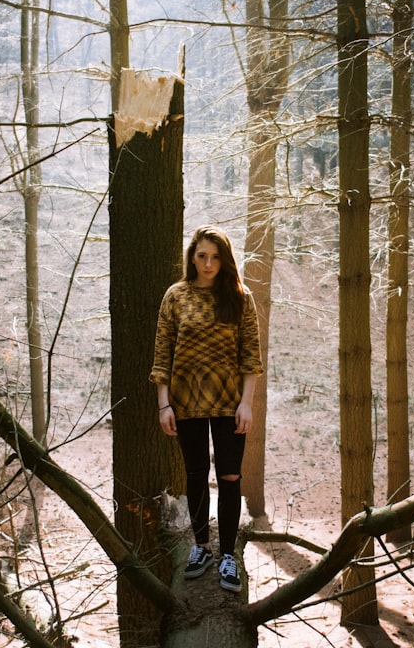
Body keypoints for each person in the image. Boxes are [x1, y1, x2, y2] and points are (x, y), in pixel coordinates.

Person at [150, 225, 263, 593]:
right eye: (202, 256)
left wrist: (246, 403)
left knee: (230, 476)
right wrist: (164, 404)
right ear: (192, 257)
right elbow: (162, 354)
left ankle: (227, 555)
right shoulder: (176, 296)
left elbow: (251, 356)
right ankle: (201, 548)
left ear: (225, 259)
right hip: (185, 404)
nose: (209, 264)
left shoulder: (240, 298)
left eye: (215, 257)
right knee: (196, 474)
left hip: (230, 404)